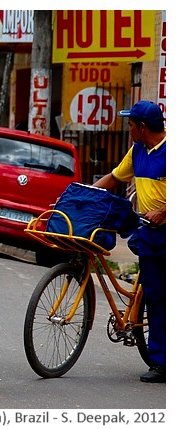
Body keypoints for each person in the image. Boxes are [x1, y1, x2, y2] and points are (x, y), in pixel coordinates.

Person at [93, 100, 166, 384]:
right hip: (149, 233)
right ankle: (160, 361)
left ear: (142, 127)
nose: (129, 129)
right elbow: (114, 178)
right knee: (157, 299)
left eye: (131, 124)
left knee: (164, 299)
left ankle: (162, 360)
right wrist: (82, 192)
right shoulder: (137, 151)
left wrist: (164, 211)